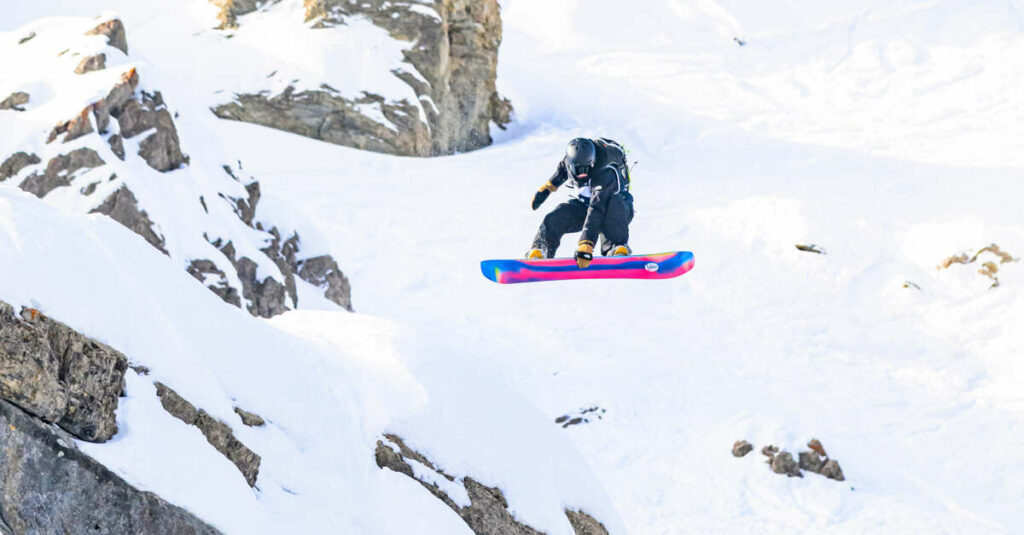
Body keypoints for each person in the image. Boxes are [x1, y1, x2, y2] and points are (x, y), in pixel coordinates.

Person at [527, 137, 634, 268]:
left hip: (614, 210)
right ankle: (541, 249)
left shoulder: (605, 171)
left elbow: (597, 209)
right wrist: (548, 188)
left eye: (587, 167)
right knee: (557, 215)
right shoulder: (569, 161)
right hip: (585, 205)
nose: (584, 173)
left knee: (613, 206)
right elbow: (562, 170)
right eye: (579, 170)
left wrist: (586, 244)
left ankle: (616, 246)